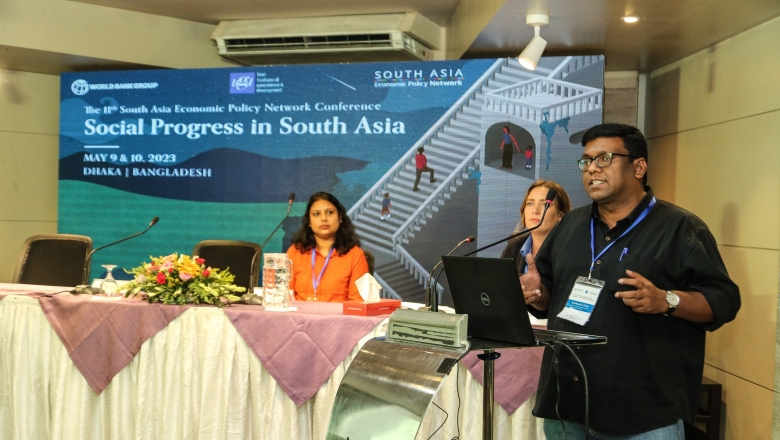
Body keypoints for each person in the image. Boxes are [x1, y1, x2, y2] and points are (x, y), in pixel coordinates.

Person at [520, 123, 740, 438]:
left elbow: (723, 302)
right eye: (586, 161)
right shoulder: (569, 226)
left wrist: (667, 300)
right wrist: (537, 293)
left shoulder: (679, 229)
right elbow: (548, 295)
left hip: (642, 412)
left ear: (638, 167)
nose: (592, 169)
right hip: (566, 403)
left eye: (604, 159)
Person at [287, 192, 368, 302]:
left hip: (339, 319)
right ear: (309, 222)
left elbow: (357, 303)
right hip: (300, 318)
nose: (324, 218)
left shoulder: (355, 255)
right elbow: (285, 296)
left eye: (330, 213)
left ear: (340, 217)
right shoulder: (295, 252)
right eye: (316, 214)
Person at [500, 180, 571, 274]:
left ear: (561, 215)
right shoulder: (514, 246)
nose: (535, 211)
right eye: (530, 203)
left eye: (545, 204)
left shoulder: (571, 251)